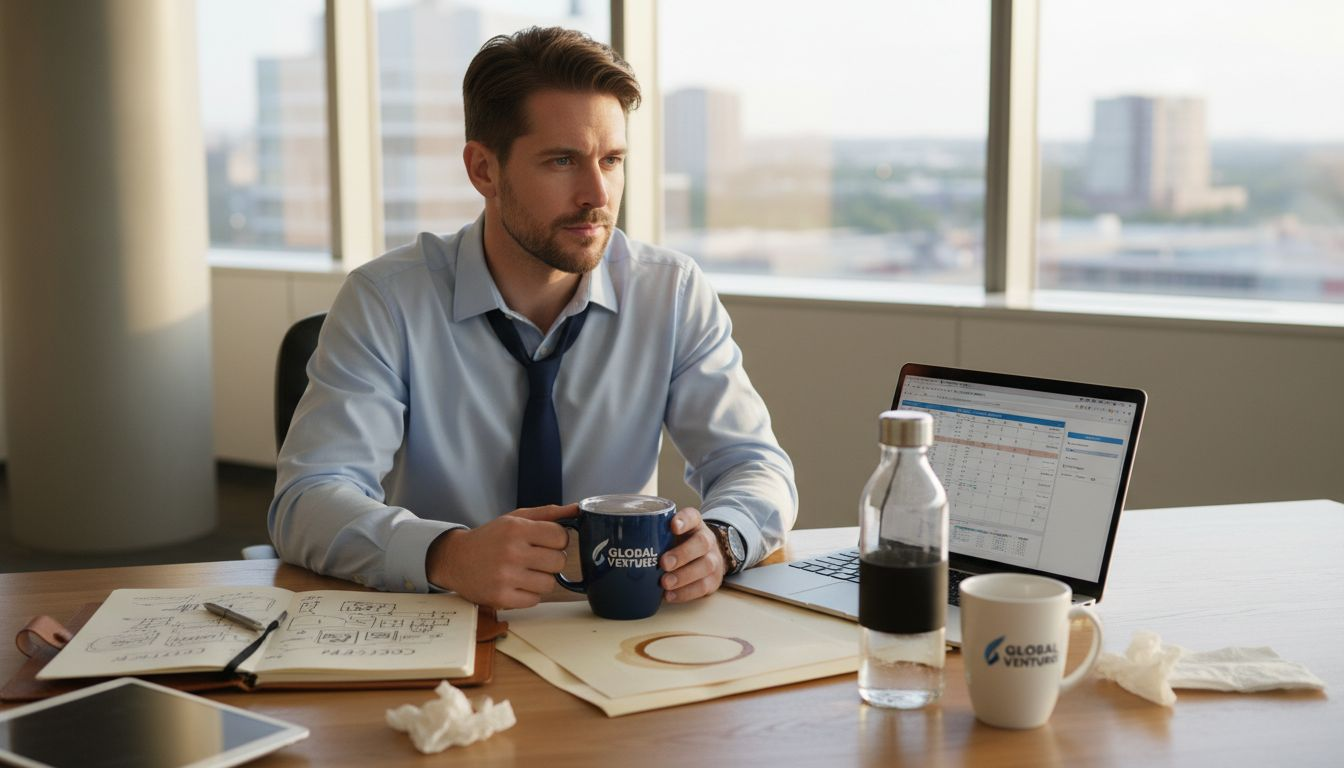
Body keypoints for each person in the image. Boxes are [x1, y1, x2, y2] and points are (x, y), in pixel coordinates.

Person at [269, 26, 796, 610]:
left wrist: (723, 539)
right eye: (562, 161)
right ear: (483, 170)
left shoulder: (669, 292)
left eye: (612, 160)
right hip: (447, 620)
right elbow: (307, 499)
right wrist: (446, 553)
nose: (597, 193)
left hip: (617, 627)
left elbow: (754, 465)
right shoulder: (387, 299)